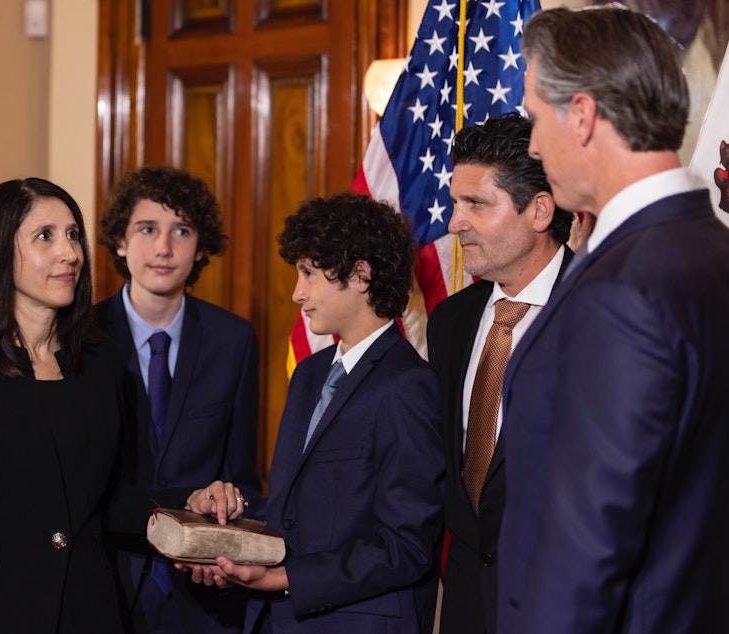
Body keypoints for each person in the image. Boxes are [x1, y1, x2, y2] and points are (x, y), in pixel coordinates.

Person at [0, 177, 241, 633]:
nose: (71, 253)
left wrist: (189, 501)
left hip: (88, 611)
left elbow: (112, 502)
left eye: (73, 234)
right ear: (0, 251)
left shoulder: (100, 360)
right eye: (46, 236)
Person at [497, 5, 729, 633]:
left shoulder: (621, 292)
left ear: (582, 114)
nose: (535, 144)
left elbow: (586, 549)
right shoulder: (710, 250)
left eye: (537, 119)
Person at [179, 192, 446, 633]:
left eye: (309, 274)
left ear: (361, 275)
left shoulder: (407, 385)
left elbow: (406, 547)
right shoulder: (308, 374)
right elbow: (289, 512)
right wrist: (224, 532)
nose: (296, 293)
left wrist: (283, 578)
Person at [95, 165, 262, 633]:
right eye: (147, 229)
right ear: (121, 241)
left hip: (204, 593)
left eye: (181, 231)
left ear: (200, 245)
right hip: (105, 585)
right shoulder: (84, 340)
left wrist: (225, 537)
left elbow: (241, 476)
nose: (164, 248)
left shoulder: (234, 340)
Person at [425, 113, 573, 634]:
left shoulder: (600, 313)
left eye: (476, 204)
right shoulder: (450, 322)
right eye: (454, 203)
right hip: (464, 606)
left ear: (539, 211)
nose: (453, 222)